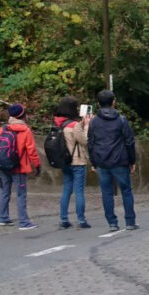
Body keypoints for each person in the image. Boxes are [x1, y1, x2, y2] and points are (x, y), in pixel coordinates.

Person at [88, 90, 138, 232]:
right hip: (120, 160)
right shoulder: (121, 120)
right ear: (113, 102)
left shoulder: (94, 122)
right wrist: (132, 161)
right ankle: (130, 221)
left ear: (98, 103)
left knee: (107, 193)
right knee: (126, 191)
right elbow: (129, 142)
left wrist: (93, 162)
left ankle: (112, 223)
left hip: (102, 162)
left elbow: (91, 143)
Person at [0, 104, 40, 230]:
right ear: (23, 115)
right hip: (19, 167)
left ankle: (3, 218)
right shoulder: (25, 130)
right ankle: (24, 222)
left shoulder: (3, 129)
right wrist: (37, 165)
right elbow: (31, 151)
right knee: (21, 194)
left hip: (4, 165)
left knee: (4, 191)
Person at [54, 97, 92, 229]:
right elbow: (85, 141)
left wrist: (81, 125)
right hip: (77, 161)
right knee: (79, 192)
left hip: (65, 161)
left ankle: (63, 219)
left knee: (66, 191)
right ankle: (81, 220)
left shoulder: (59, 124)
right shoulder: (73, 125)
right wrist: (86, 126)